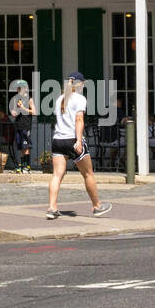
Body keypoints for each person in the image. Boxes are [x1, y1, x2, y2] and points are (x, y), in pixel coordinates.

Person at [46, 72, 111, 219]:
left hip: (58, 140)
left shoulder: (59, 99)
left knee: (57, 175)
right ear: (80, 84)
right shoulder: (80, 99)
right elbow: (79, 119)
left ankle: (52, 207)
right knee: (88, 173)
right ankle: (97, 206)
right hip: (72, 139)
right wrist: (79, 140)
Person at [9, 81, 35, 173]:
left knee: (26, 146)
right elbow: (16, 112)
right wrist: (14, 113)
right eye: (18, 88)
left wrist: (23, 108)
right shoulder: (16, 99)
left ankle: (26, 166)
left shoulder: (29, 99)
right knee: (20, 146)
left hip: (26, 125)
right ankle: (21, 164)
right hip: (18, 124)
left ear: (25, 89)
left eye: (20, 88)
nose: (18, 90)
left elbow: (34, 112)